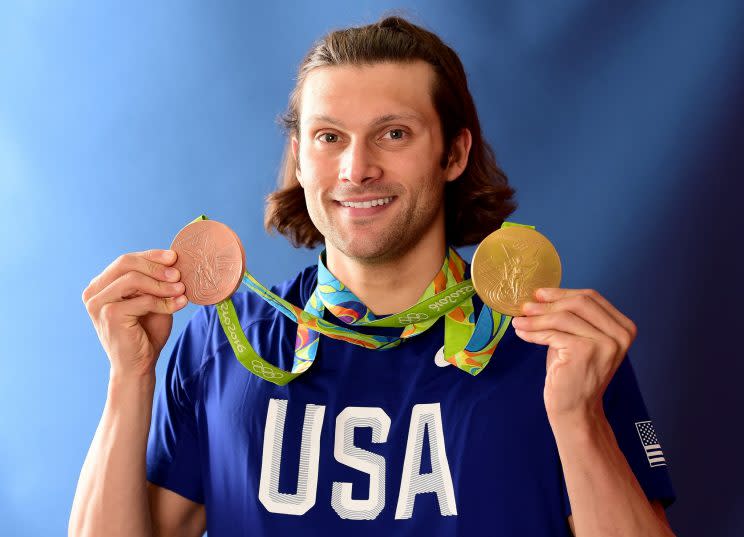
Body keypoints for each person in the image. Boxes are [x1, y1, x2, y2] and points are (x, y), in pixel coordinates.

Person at [69, 15, 677, 537]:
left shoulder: (560, 348)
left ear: (455, 155)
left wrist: (580, 420)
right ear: (301, 160)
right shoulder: (221, 343)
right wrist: (131, 378)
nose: (358, 169)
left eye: (394, 134)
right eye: (329, 137)